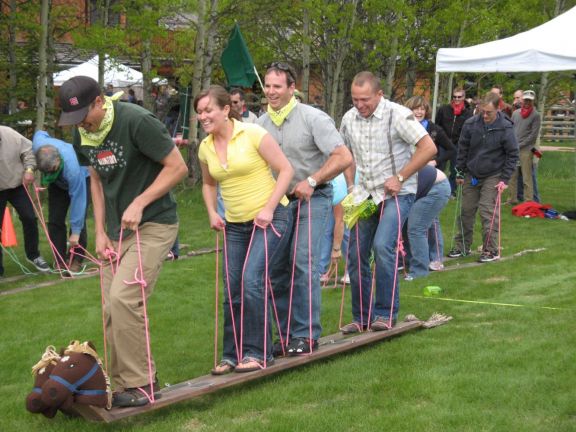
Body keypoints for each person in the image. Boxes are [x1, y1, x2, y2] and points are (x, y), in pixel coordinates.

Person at [57, 75, 188, 407]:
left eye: (83, 116)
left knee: (124, 298)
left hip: (155, 223)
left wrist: (141, 202)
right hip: (116, 230)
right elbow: (97, 181)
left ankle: (142, 384)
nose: (80, 125)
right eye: (74, 121)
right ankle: (125, 385)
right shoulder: (83, 134)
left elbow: (177, 167)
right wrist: (99, 231)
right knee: (111, 307)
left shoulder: (136, 121)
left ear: (100, 101)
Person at [196, 85, 294, 374]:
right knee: (233, 288)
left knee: (252, 280)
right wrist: (213, 212)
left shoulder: (252, 134)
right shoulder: (205, 147)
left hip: (270, 218)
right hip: (235, 225)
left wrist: (268, 208)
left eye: (208, 110)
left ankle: (259, 352)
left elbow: (286, 170)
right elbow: (208, 183)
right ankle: (233, 353)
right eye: (199, 112)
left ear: (226, 109)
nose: (203, 116)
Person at [257, 62, 352, 355]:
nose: (271, 92)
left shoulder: (313, 118)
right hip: (279, 204)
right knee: (275, 269)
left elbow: (342, 156)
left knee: (303, 263)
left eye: (277, 86)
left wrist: (312, 180)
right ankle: (285, 336)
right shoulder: (259, 125)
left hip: (314, 198)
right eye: (267, 86)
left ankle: (305, 334)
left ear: (291, 88)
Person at [339, 71, 436, 334]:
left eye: (365, 100)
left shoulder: (397, 115)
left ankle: (385, 313)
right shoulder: (349, 119)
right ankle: (361, 317)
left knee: (383, 246)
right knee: (356, 252)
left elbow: (428, 148)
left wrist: (401, 176)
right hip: (366, 196)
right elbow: (345, 155)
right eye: (355, 99)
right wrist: (350, 185)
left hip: (397, 194)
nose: (360, 105)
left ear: (380, 95)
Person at [448, 92, 519, 263]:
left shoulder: (505, 127)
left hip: (494, 174)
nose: (485, 115)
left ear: (498, 109)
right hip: (472, 173)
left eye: (489, 112)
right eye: (482, 112)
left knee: (487, 211)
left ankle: (490, 249)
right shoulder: (471, 124)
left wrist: (505, 179)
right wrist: (459, 171)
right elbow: (463, 149)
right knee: (466, 210)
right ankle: (462, 245)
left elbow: (512, 154)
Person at [32, 131, 90, 274]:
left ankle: (76, 259)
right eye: (47, 172)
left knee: (78, 219)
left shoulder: (73, 170)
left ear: (58, 160)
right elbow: (40, 132)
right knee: (55, 219)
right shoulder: (38, 144)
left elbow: (79, 202)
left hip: (83, 177)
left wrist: (75, 232)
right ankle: (60, 259)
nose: (50, 172)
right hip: (58, 184)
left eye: (53, 170)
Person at [0, 126, 50, 277]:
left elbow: (29, 151)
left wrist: (29, 170)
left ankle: (33, 255)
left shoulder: (9, 134)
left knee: (29, 217)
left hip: (17, 185)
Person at [404, 165, 451, 279]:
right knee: (408, 225)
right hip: (425, 187)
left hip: (435, 188)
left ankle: (419, 271)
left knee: (416, 229)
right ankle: (412, 262)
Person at [435, 87, 473, 195]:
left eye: (459, 97)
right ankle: (437, 189)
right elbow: (437, 125)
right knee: (440, 166)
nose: (456, 99)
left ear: (464, 97)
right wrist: (438, 139)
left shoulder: (468, 113)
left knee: (455, 168)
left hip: (458, 144)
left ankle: (451, 191)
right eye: (454, 97)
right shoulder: (444, 109)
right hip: (444, 143)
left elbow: (468, 130)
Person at [508, 90, 542, 205]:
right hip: (514, 149)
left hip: (526, 150)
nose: (527, 102)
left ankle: (528, 200)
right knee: (512, 176)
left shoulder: (536, 115)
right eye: (525, 99)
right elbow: (510, 129)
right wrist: (512, 144)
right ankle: (512, 199)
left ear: (533, 101)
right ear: (522, 100)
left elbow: (533, 136)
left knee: (526, 177)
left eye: (529, 100)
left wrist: (519, 145)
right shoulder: (516, 113)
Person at [405, 96, 455, 171]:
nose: (419, 112)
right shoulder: (404, 126)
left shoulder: (434, 129)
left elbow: (452, 150)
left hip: (428, 170)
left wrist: (435, 162)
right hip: (407, 169)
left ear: (426, 111)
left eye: (422, 109)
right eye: (416, 109)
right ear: (409, 110)